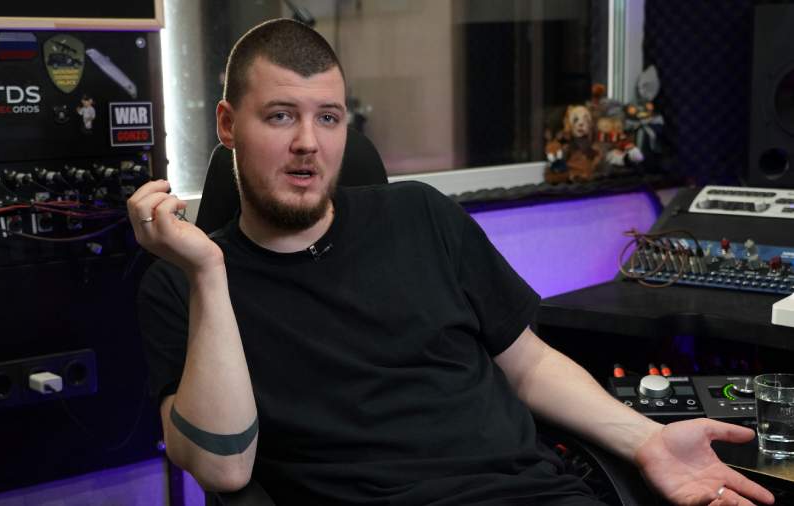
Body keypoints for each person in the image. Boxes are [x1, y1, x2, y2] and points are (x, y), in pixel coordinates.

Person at [130, 19, 774, 506]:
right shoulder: (183, 285)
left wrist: (648, 440)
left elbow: (529, 366)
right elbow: (224, 469)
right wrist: (208, 275)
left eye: (327, 117)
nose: (308, 142)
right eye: (279, 116)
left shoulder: (422, 215)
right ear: (227, 124)